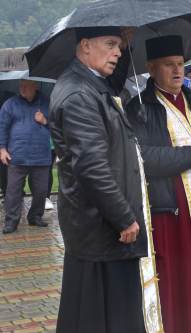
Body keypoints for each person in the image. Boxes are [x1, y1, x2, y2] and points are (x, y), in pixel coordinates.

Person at [126, 35, 191, 332]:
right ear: (150, 67)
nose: (177, 71)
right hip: (169, 210)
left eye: (181, 64)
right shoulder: (138, 108)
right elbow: (140, 158)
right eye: (168, 65)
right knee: (176, 279)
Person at [51, 26, 152, 332]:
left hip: (97, 225)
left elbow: (112, 83)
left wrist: (125, 44)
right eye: (111, 44)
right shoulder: (80, 95)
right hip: (102, 226)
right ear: (85, 46)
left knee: (96, 313)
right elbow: (91, 168)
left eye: (120, 46)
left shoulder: (89, 83)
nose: (118, 52)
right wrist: (124, 218)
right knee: (103, 317)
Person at [0, 79, 51, 234]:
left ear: (36, 86)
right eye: (21, 86)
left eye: (26, 86)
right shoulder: (10, 104)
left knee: (41, 190)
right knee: (13, 191)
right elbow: (1, 127)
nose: (22, 89)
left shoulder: (47, 103)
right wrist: (2, 150)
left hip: (41, 155)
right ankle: (11, 222)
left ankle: (35, 216)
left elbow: (60, 123)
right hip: (16, 155)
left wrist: (45, 121)